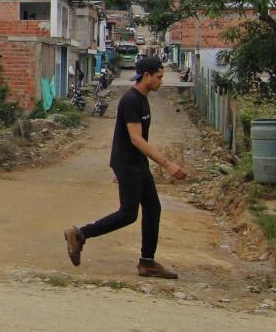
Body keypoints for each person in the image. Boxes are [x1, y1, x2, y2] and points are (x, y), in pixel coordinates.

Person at [64, 55, 187, 278]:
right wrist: (167, 164)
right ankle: (79, 233)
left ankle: (147, 262)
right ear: (146, 76)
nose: (162, 81)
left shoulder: (142, 98)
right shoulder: (131, 100)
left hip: (136, 163)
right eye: (159, 77)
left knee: (153, 208)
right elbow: (136, 139)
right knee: (128, 214)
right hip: (129, 164)